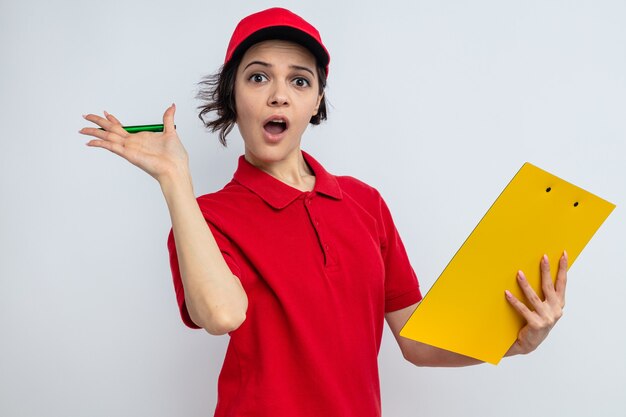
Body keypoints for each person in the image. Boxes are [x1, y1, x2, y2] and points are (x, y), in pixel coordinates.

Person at [79, 7, 567, 417]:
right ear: (234, 95)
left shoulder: (365, 203)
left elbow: (417, 343)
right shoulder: (204, 217)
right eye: (258, 76)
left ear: (315, 102)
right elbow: (222, 314)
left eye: (299, 80)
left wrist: (512, 342)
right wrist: (174, 181)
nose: (279, 93)